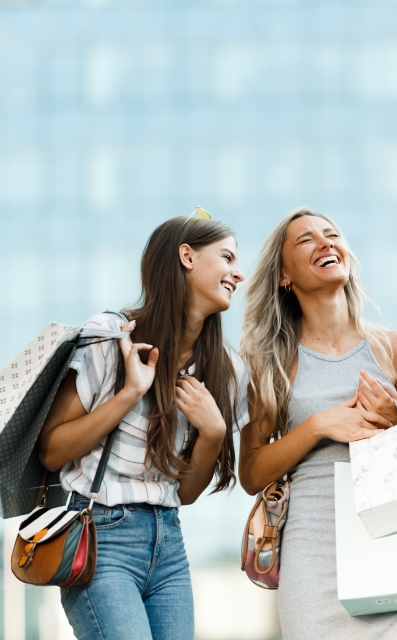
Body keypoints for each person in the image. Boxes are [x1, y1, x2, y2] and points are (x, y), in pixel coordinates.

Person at [38, 213, 247, 640]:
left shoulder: (227, 369)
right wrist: (130, 393)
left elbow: (185, 494)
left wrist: (215, 434)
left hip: (169, 544)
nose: (238, 273)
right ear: (186, 256)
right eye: (226, 257)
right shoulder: (112, 336)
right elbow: (52, 450)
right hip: (102, 537)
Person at [239, 208, 397, 640]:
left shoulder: (394, 349)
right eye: (306, 240)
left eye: (332, 234)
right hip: (314, 555)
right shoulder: (269, 363)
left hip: (394, 540)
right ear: (283, 275)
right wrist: (318, 426)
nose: (326, 242)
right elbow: (251, 473)